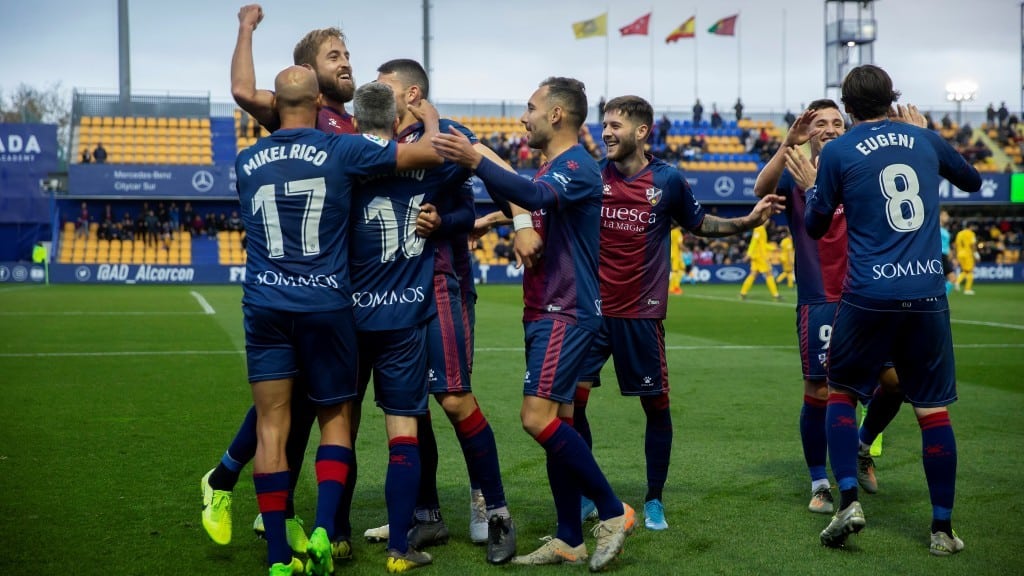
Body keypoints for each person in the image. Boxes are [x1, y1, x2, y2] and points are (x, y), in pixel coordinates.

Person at [235, 65, 441, 576]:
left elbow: (243, 93)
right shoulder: (341, 149)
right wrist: (430, 119)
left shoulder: (245, 160)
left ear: (276, 102)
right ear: (320, 100)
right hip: (326, 305)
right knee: (335, 422)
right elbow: (428, 153)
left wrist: (246, 25)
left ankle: (279, 556)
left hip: (264, 303)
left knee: (271, 430)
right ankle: (328, 530)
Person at [432, 77, 635, 571]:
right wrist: (494, 209)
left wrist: (476, 159)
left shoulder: (579, 166)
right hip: (545, 308)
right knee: (559, 422)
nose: (524, 117)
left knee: (535, 418)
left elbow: (532, 195)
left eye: (530, 107)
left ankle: (611, 511)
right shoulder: (556, 167)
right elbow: (523, 199)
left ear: (557, 115)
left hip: (564, 311)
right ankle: (569, 537)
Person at [573, 95, 785, 532]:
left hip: (641, 313)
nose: (606, 132)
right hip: (592, 313)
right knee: (570, 404)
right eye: (604, 125)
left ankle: (653, 498)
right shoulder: (593, 177)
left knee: (656, 406)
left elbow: (701, 223)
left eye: (615, 125)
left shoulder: (668, 181)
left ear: (641, 131)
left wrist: (747, 223)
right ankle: (587, 493)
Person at [201, 5, 362, 557]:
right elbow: (244, 90)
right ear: (308, 75)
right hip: (316, 289)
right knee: (312, 405)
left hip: (346, 287)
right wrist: (245, 28)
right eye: (333, 56)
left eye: (346, 54)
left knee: (308, 402)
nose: (344, 64)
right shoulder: (297, 118)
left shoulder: (353, 123)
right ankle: (309, 525)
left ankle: (241, 489)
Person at [805, 64, 981, 554]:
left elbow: (817, 226)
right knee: (931, 409)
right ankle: (942, 530)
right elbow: (973, 181)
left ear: (848, 106)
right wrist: (930, 137)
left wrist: (820, 189)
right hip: (927, 296)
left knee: (840, 392)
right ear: (893, 98)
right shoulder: (922, 139)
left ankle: (846, 503)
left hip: (867, 295)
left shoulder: (838, 149)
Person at [358, 58, 518, 566]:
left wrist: (442, 219)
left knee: (453, 398)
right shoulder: (377, 141)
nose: (377, 94)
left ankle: (494, 510)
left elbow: (469, 211)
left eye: (386, 87)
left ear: (412, 94)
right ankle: (425, 514)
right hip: (392, 290)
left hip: (442, 285)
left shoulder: (448, 135)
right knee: (410, 408)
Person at [754, 98, 905, 515]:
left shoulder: (862, 167)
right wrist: (787, 144)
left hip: (870, 295)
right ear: (808, 130)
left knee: (895, 383)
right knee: (819, 391)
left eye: (837, 121)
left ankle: (861, 444)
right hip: (820, 299)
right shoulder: (797, 170)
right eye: (820, 122)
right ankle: (820, 482)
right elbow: (760, 190)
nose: (830, 128)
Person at [738, 224, 781, 300]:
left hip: (756, 256)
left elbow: (763, 244)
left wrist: (773, 248)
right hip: (761, 256)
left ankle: (743, 293)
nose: (768, 220)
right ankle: (775, 294)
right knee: (769, 274)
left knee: (753, 274)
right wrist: (748, 254)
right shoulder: (759, 228)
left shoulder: (760, 228)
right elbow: (754, 242)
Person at [954, 222, 978, 295]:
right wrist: (976, 254)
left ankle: (957, 282)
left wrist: (956, 255)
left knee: (965, 270)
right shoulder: (971, 233)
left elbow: (956, 245)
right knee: (970, 271)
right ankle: (967, 289)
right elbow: (973, 244)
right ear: (970, 226)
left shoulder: (959, 234)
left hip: (960, 254)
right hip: (967, 254)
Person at [940, 211, 956, 294]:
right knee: (952, 278)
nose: (947, 217)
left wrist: (952, 258)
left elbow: (947, 245)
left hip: (944, 256)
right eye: (945, 215)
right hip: (939, 255)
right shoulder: (934, 228)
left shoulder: (944, 229)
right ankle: (942, 298)